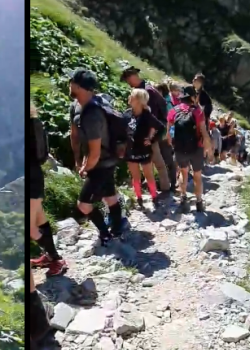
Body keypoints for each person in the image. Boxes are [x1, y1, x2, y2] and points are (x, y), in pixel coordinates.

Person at [69, 69, 123, 243]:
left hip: (102, 162)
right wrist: (77, 158)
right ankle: (117, 229)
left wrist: (85, 168)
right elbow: (75, 135)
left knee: (83, 204)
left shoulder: (93, 114)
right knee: (110, 196)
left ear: (77, 86)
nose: (68, 85)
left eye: (71, 82)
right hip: (103, 159)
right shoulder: (76, 107)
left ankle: (105, 233)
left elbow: (95, 152)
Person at [29, 102, 67, 274]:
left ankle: (55, 259)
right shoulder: (36, 122)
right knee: (39, 219)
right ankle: (51, 256)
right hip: (35, 173)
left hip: (30, 177)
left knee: (30, 228)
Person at [121, 67, 172, 194]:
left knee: (157, 160)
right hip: (148, 130)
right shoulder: (144, 89)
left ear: (132, 77)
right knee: (151, 161)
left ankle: (165, 189)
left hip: (151, 131)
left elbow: (152, 115)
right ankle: (155, 186)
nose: (128, 84)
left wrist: (150, 135)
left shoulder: (147, 91)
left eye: (128, 80)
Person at [167, 86, 212, 211]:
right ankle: (198, 202)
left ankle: (183, 197)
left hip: (180, 148)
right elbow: (204, 132)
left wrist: (175, 146)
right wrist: (208, 150)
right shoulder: (198, 111)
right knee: (197, 175)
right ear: (193, 97)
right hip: (196, 148)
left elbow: (169, 135)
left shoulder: (173, 111)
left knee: (183, 173)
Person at [125, 88, 165, 208]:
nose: (129, 97)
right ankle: (139, 198)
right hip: (130, 150)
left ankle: (154, 196)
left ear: (138, 100)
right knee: (135, 176)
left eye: (131, 95)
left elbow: (161, 128)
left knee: (148, 174)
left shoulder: (147, 116)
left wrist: (151, 140)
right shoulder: (127, 113)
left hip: (143, 150)